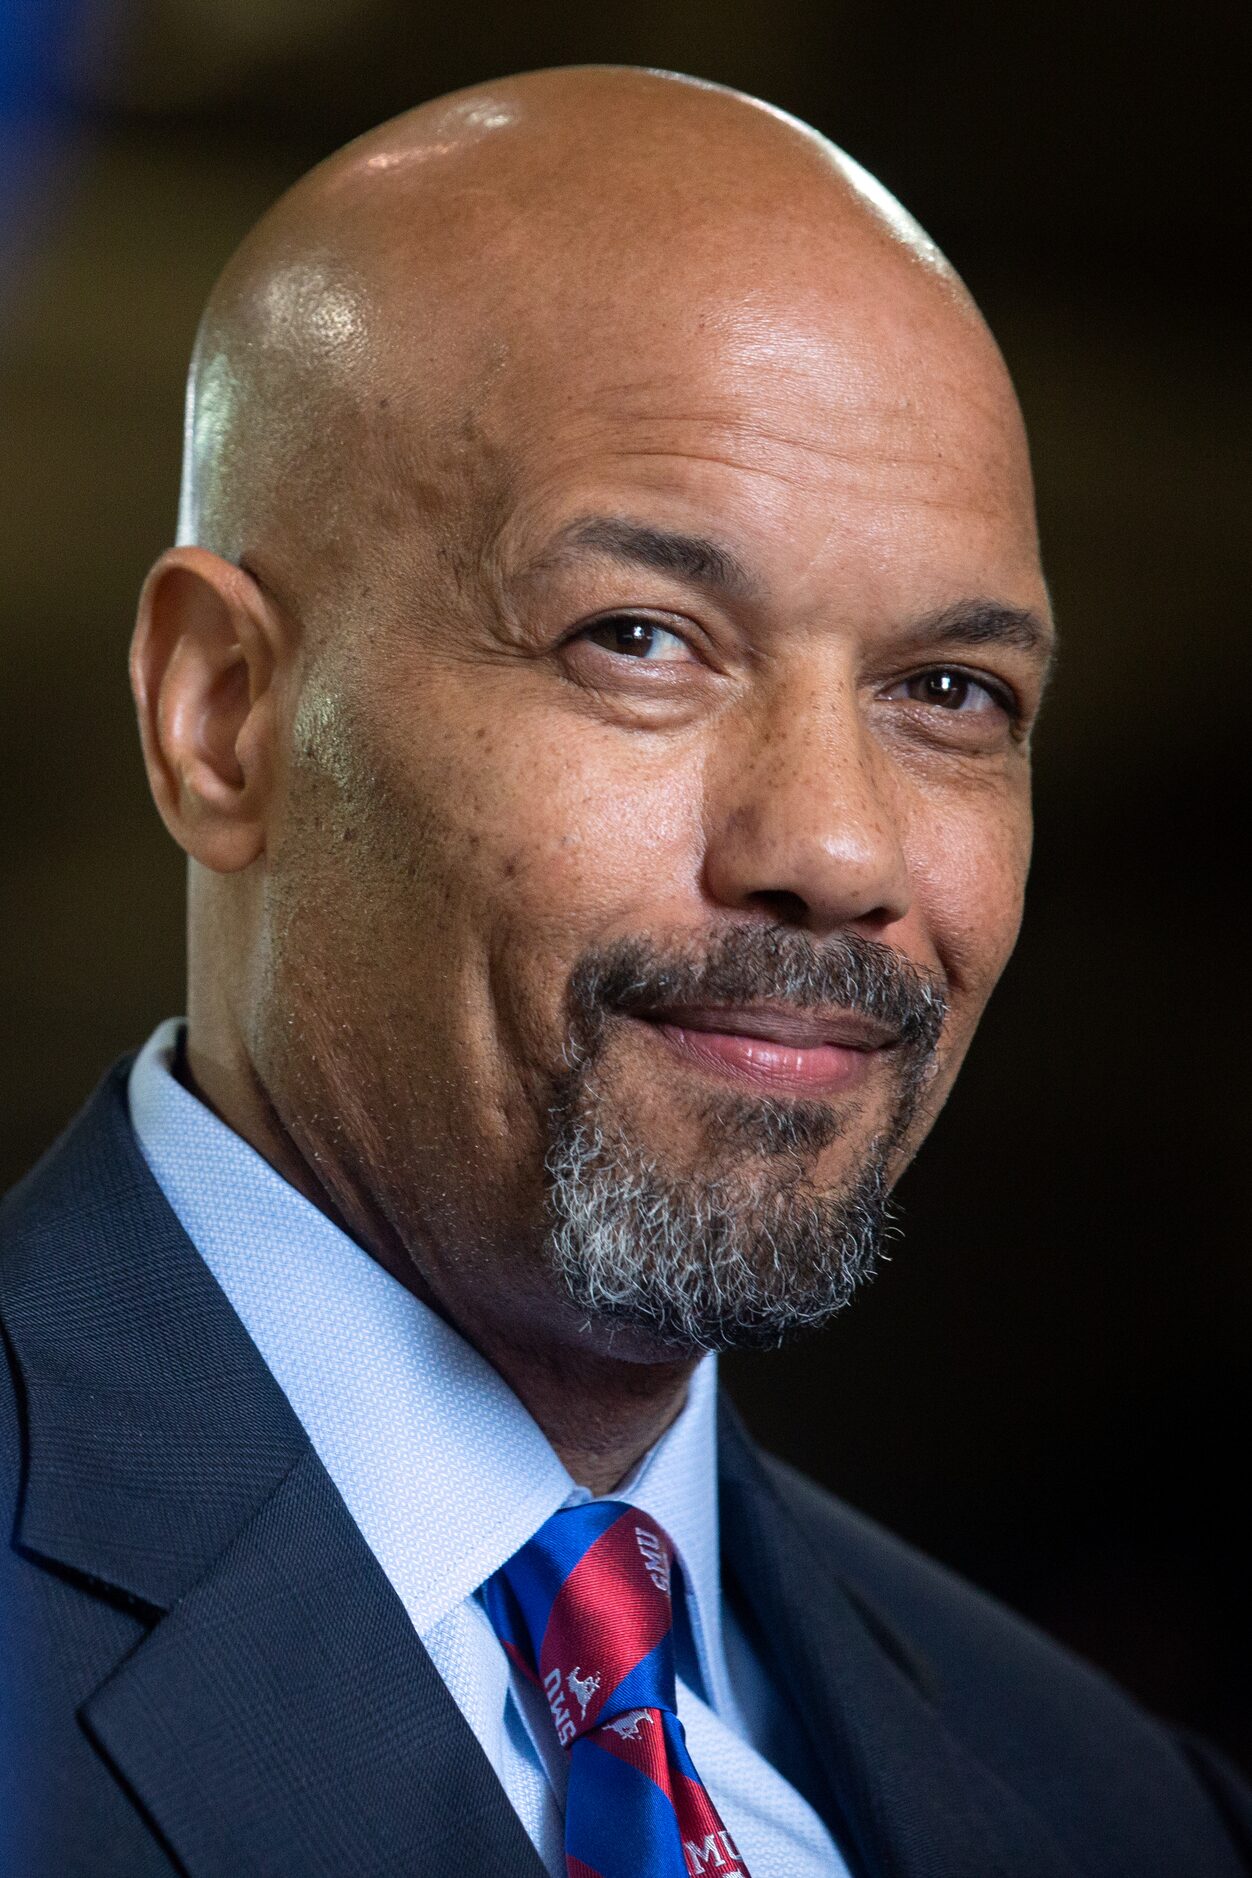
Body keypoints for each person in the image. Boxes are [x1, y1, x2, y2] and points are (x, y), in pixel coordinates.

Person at [1, 64, 1247, 1878]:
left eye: (950, 694)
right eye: (643, 638)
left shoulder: (1121, 1813)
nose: (836, 847)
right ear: (225, 715)